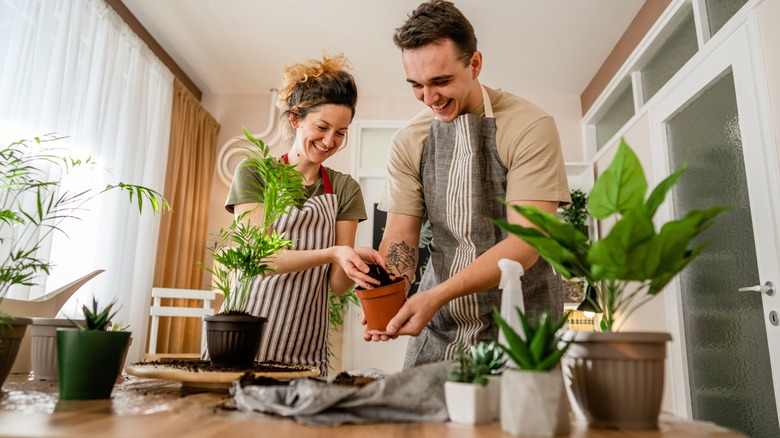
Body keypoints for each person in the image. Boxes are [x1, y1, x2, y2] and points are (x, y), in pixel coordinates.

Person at [369, 0, 571, 368]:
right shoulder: (409, 140)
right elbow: (401, 235)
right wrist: (386, 292)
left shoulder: (528, 126)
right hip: (440, 326)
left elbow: (526, 243)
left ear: (475, 63)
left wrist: (437, 295)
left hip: (523, 323)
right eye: (416, 85)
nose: (429, 98)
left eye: (440, 81)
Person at [226, 53, 384, 375]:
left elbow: (337, 286)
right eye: (322, 127)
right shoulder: (255, 173)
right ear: (296, 118)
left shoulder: (344, 188)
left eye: (341, 132)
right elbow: (259, 259)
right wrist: (332, 252)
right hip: (243, 337)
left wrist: (350, 259)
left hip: (305, 349)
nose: (330, 141)